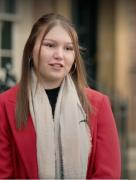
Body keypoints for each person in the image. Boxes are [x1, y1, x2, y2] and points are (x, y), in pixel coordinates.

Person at [0, 13, 121, 179]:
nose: (60, 55)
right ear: (31, 49)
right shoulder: (4, 105)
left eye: (68, 48)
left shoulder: (98, 104)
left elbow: (108, 175)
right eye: (50, 45)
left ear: (75, 57)